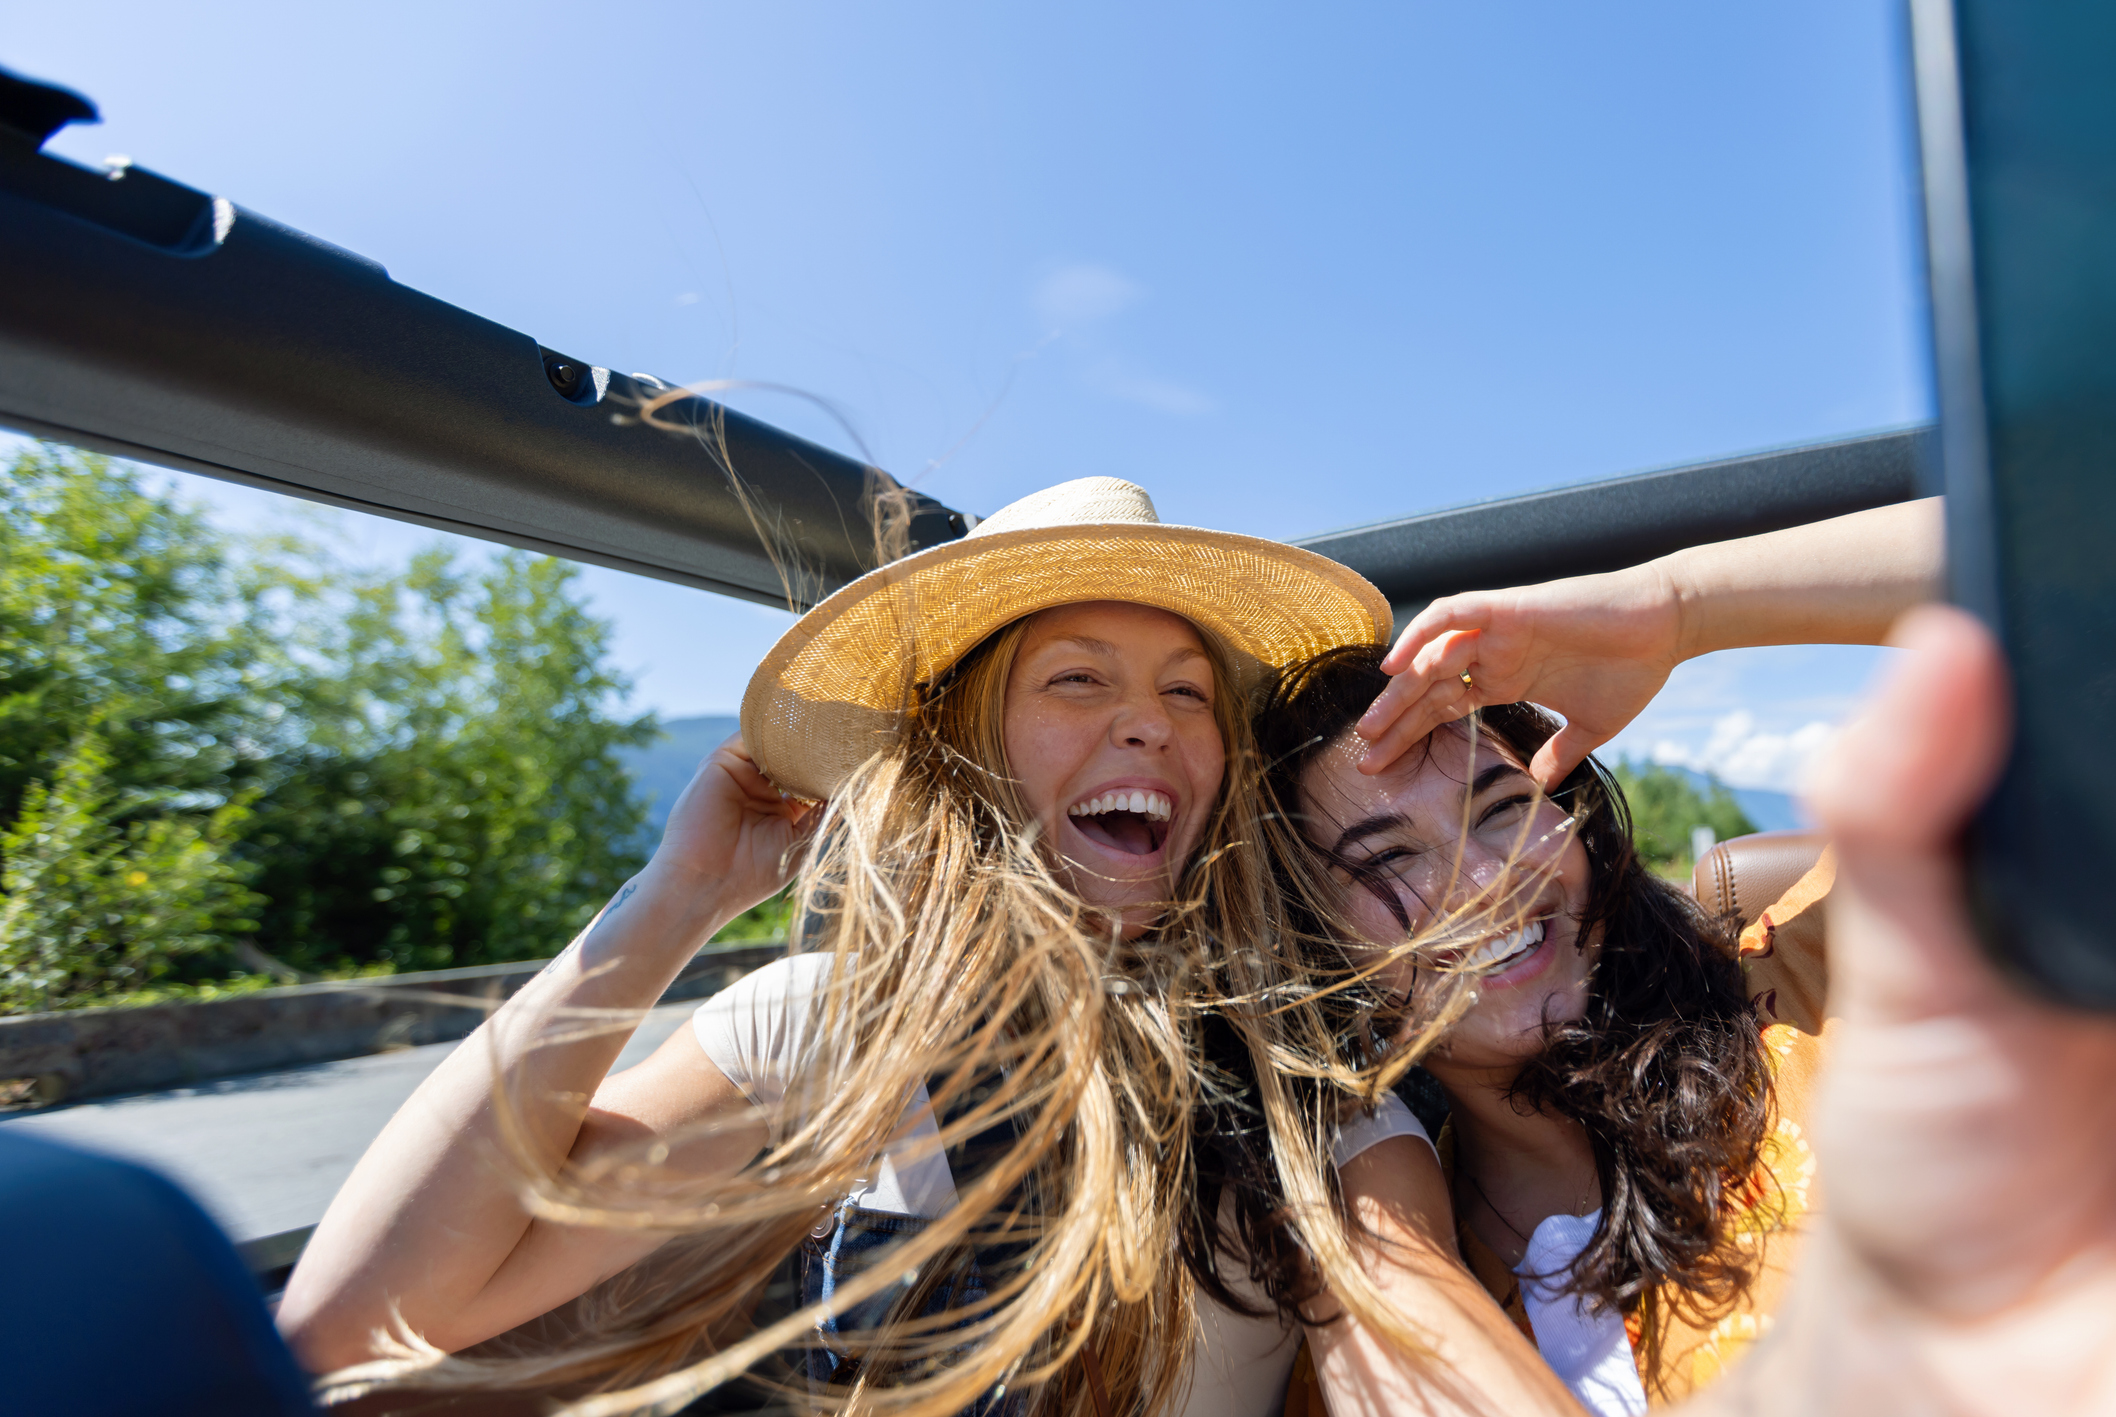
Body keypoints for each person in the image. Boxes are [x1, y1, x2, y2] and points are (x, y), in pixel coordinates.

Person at [277, 477, 1418, 1417]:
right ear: (967, 749)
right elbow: (354, 1324)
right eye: (1079, 678)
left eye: (1188, 693)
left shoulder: (1306, 1073)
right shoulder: (824, 1027)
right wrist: (670, 901)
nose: (1151, 722)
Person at [1238, 501, 1949, 1411]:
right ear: (1315, 950)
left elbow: (2064, 536)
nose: (1485, 879)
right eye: (1388, 860)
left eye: (1501, 806)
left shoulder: (1832, 986)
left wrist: (1679, 606)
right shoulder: (1378, 1326)